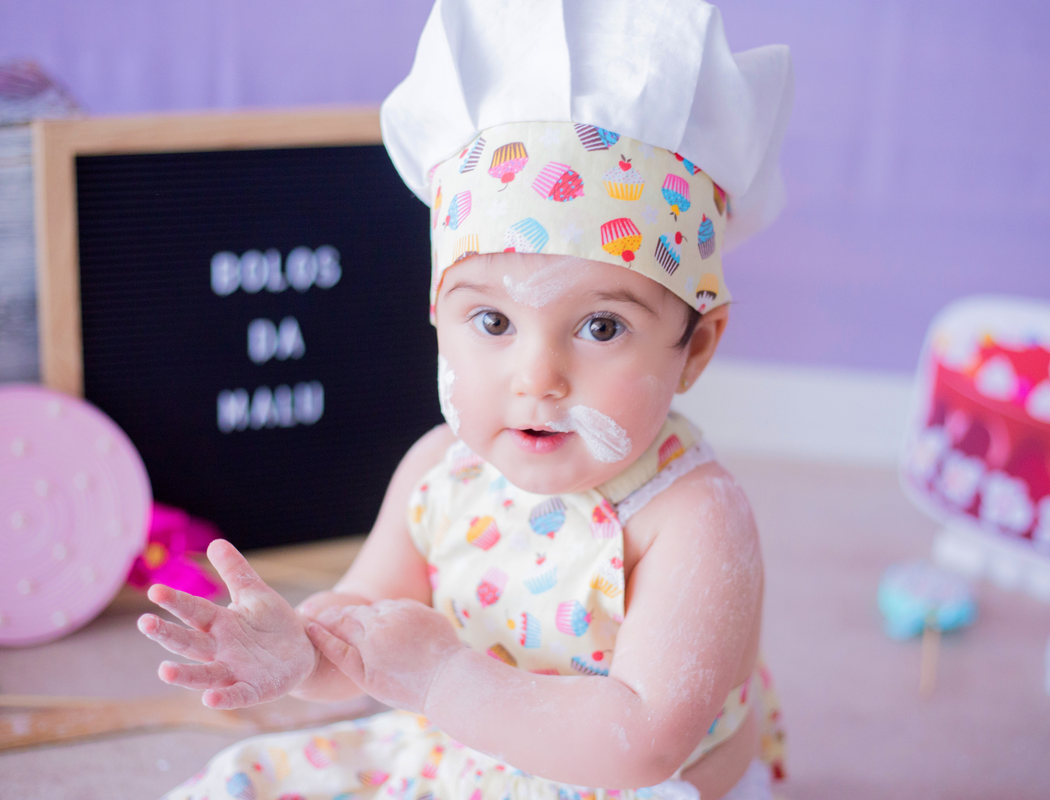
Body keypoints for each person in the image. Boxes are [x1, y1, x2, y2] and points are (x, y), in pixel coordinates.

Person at [139, 2, 794, 798]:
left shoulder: (692, 515)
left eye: (601, 326)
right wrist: (304, 654)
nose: (537, 377)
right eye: (493, 321)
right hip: (462, 755)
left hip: (628, 784)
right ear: (437, 319)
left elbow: (643, 744)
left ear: (695, 347)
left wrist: (443, 679)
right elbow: (364, 633)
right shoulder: (439, 471)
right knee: (246, 782)